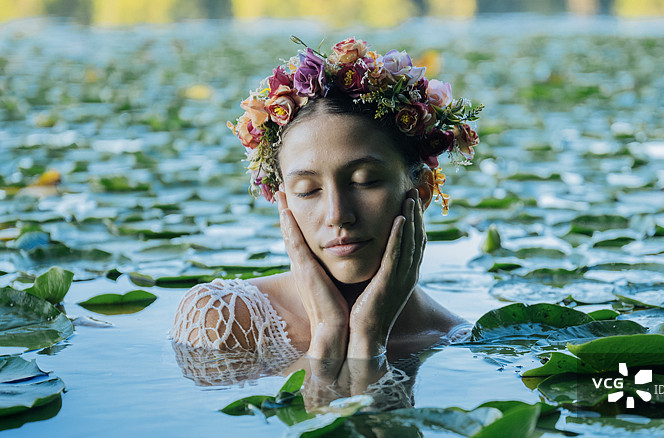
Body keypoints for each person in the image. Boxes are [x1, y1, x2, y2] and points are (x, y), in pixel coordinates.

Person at [170, 37, 481, 409]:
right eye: (307, 190)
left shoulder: (458, 340)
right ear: (282, 202)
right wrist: (329, 336)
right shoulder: (221, 319)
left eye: (365, 181)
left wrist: (369, 339)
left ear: (423, 190)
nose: (337, 214)